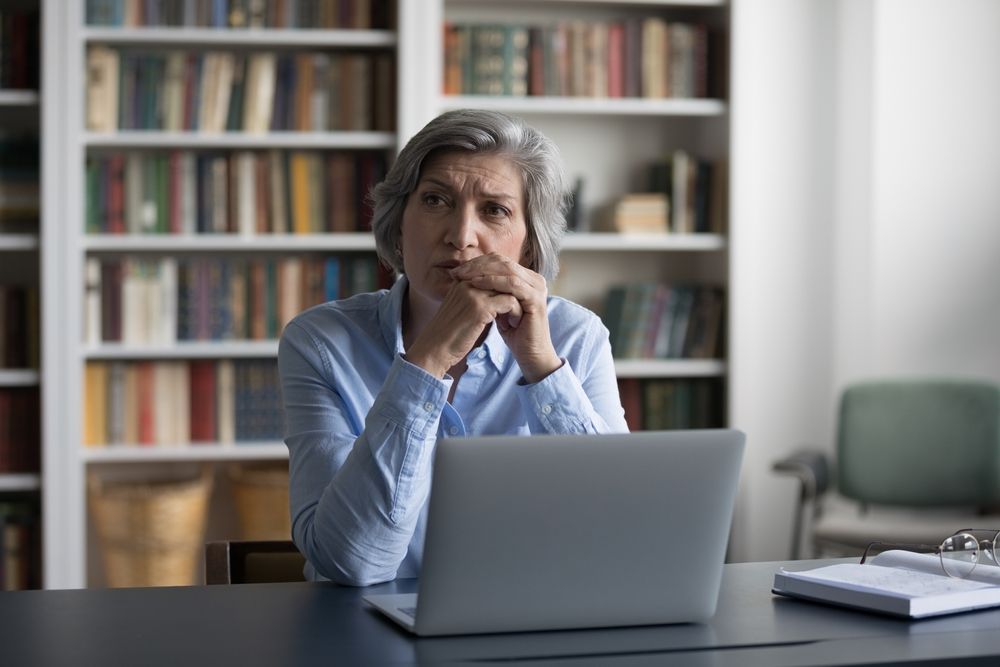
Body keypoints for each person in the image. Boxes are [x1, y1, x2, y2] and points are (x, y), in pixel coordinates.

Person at [278, 109, 628, 586]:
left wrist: (542, 367)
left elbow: (620, 534)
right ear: (399, 223)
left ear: (527, 246)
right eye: (436, 200)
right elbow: (352, 563)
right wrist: (428, 360)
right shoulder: (320, 342)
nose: (461, 236)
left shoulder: (576, 337)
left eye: (495, 210)